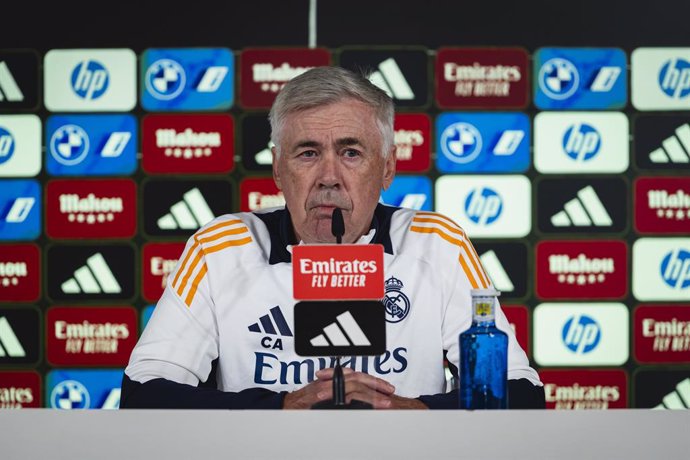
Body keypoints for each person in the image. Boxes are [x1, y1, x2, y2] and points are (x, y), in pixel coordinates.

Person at [121, 66, 544, 409]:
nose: (328, 177)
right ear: (277, 170)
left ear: (387, 169)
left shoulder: (437, 244)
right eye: (307, 153)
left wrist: (412, 412)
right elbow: (143, 393)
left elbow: (520, 393)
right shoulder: (220, 248)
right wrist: (281, 409)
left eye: (351, 153)